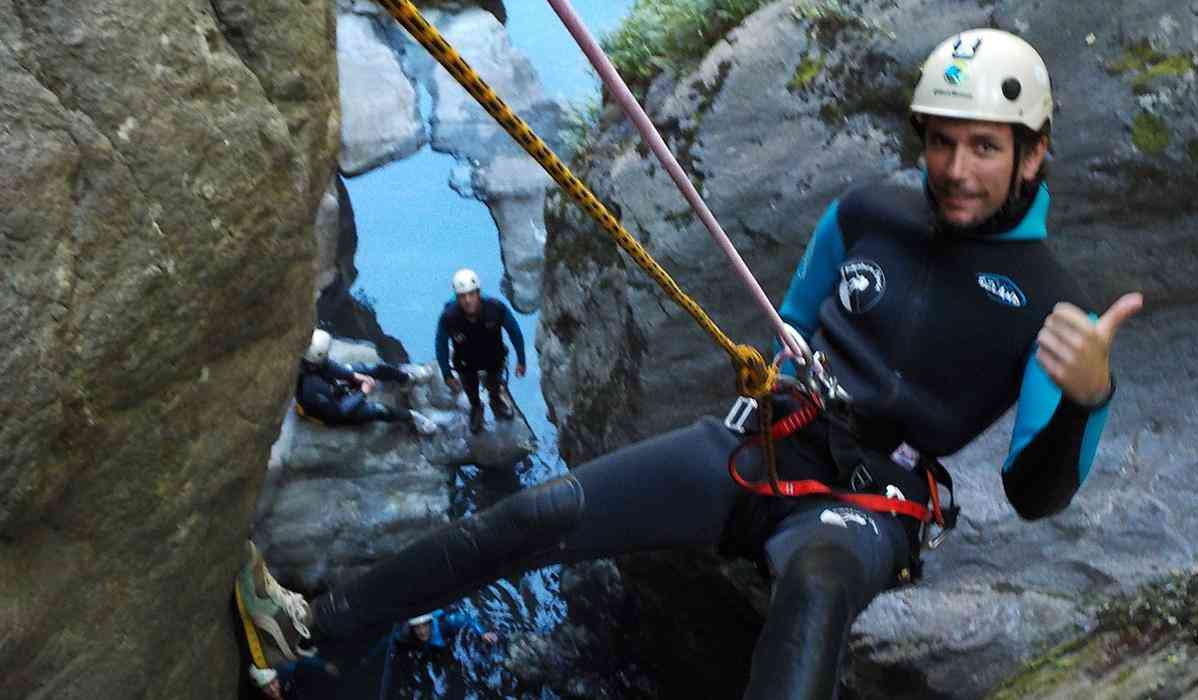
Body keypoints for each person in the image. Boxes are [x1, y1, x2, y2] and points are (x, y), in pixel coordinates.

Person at [251, 30, 1143, 698]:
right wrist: (770, 374)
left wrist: (1082, 398)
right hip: (762, 443)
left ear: (1035, 154)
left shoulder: (1051, 306)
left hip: (871, 503)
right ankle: (312, 629)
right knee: (537, 511)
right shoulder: (869, 213)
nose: (955, 168)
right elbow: (795, 323)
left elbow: (1036, 493)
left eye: (985, 146)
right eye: (942, 142)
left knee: (814, 594)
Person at [435, 269, 527, 433]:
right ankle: (476, 407)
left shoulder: (496, 309)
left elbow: (514, 332)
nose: (468, 300)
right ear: (457, 298)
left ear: (478, 293)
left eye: (471, 294)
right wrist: (447, 374)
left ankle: (495, 400)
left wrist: (521, 360)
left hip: (493, 355)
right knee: (470, 387)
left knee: (494, 382)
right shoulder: (449, 317)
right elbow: (441, 344)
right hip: (465, 360)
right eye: (462, 296)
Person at [296, 328, 438, 435]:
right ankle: (413, 418)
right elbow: (338, 412)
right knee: (377, 409)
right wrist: (363, 392)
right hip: (329, 412)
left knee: (371, 369)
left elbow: (328, 365)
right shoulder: (312, 386)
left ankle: (406, 379)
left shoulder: (310, 361)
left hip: (328, 386)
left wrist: (353, 375)